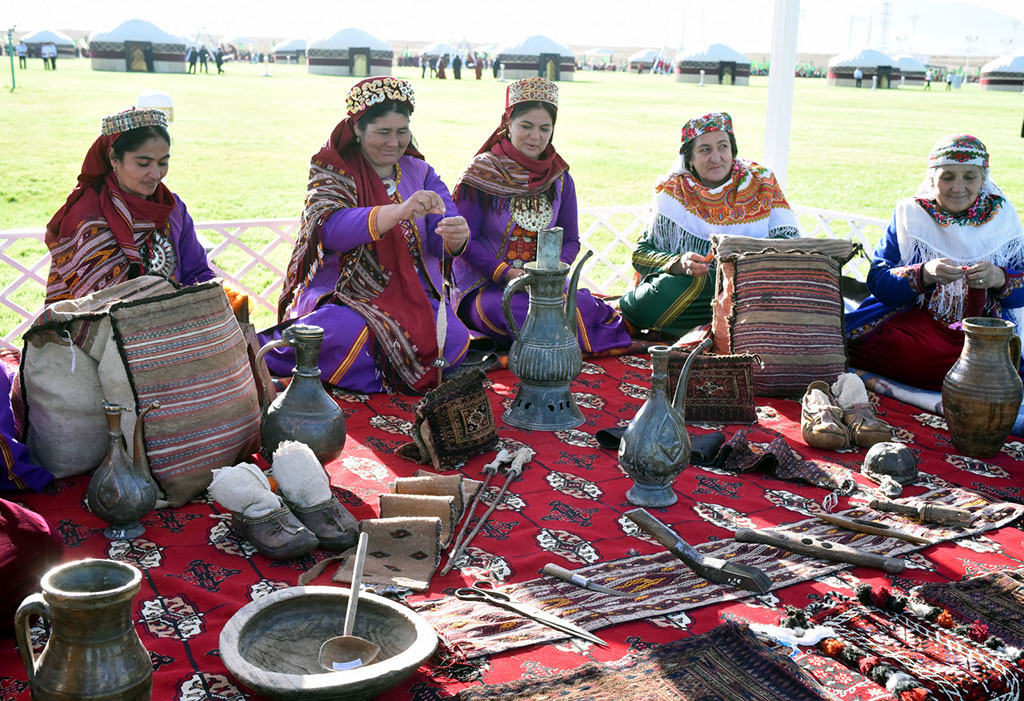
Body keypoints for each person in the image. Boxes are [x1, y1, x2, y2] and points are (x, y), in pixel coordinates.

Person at [269, 77, 472, 394]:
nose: (394, 142)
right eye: (383, 132)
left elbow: (440, 235)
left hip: (411, 295)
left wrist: (455, 235)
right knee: (343, 332)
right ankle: (267, 350)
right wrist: (398, 211)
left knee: (454, 337)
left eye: (402, 132)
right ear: (358, 131)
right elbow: (331, 229)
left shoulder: (421, 172)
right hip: (344, 296)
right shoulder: (331, 170)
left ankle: (353, 375)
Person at [452, 77, 631, 354]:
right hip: (484, 285)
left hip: (542, 285)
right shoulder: (482, 173)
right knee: (514, 313)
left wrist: (548, 274)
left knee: (582, 309)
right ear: (507, 125)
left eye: (544, 128)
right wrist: (509, 274)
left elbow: (571, 239)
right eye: (526, 126)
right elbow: (465, 242)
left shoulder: (559, 178)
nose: (535, 137)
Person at [846, 134, 1024, 390]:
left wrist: (999, 278)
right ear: (932, 178)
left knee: (983, 361)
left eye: (970, 177)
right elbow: (878, 280)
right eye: (947, 176)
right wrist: (923, 273)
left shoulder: (1002, 217)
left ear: (983, 179)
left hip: (984, 327)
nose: (958, 187)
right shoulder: (911, 213)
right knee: (909, 354)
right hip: (919, 320)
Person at [617, 112, 800, 339]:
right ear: (689, 159)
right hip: (692, 286)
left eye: (723, 147)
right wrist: (678, 263)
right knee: (639, 304)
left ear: (732, 150)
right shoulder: (672, 191)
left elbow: (789, 244)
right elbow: (641, 255)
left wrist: (742, 265)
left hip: (750, 286)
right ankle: (724, 326)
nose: (716, 158)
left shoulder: (762, 182)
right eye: (705, 150)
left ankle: (707, 325)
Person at [45, 108, 217, 303]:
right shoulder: (87, 215)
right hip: (103, 327)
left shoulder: (173, 207)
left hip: (178, 320)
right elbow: (99, 303)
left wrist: (213, 298)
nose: (155, 174)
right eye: (144, 163)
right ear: (113, 159)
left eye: (163, 162)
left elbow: (197, 271)